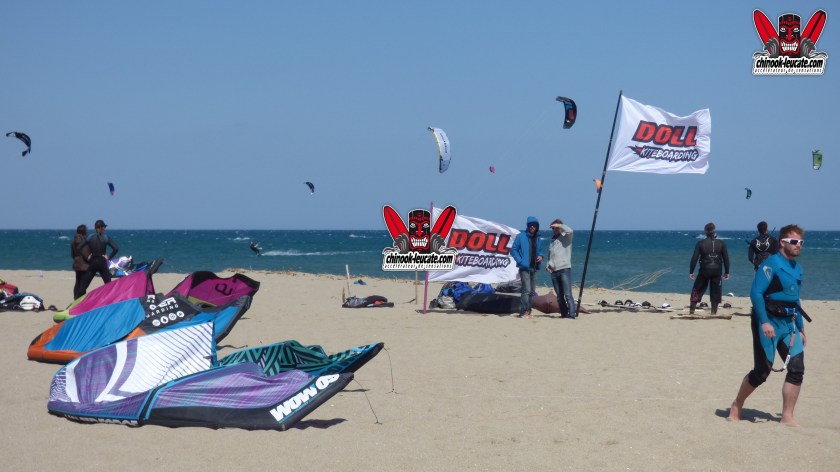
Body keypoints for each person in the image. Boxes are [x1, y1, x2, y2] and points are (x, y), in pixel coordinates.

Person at [728, 224, 807, 426]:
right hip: (768, 322)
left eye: (801, 242)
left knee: (797, 369)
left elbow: (795, 300)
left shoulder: (798, 268)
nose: (798, 245)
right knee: (762, 372)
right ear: (782, 243)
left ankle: (787, 416)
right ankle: (737, 404)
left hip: (789, 324)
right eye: (794, 241)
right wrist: (764, 322)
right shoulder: (770, 265)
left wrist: (801, 328)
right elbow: (756, 294)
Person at [688, 222, 730, 314]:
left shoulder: (700, 243)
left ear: (705, 231)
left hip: (704, 270)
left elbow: (694, 258)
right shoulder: (721, 243)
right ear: (714, 231)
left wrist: (691, 272)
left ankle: (692, 310)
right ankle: (713, 312)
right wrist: (727, 272)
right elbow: (726, 259)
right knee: (716, 291)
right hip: (717, 271)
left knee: (697, 289)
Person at [511, 216, 542, 319]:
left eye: (534, 225)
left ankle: (529, 311)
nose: (532, 227)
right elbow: (513, 250)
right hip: (524, 267)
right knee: (526, 290)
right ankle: (523, 312)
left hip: (534, 267)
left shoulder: (538, 238)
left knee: (532, 291)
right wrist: (520, 261)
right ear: (528, 226)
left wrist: (540, 256)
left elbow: (540, 251)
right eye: (530, 225)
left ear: (537, 227)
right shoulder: (521, 236)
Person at [546, 218, 576, 319]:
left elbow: (570, 231)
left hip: (564, 269)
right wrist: (548, 265)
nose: (554, 230)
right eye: (553, 228)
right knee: (559, 296)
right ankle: (564, 314)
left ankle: (572, 314)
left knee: (568, 294)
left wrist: (559, 225)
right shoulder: (552, 241)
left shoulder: (566, 238)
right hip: (554, 271)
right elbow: (550, 255)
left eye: (556, 228)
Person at [79, 219, 119, 292]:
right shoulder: (106, 237)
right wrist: (109, 257)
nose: (104, 229)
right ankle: (110, 299)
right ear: (99, 228)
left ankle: (80, 299)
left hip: (92, 263)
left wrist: (86, 257)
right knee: (109, 286)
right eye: (104, 227)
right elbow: (116, 248)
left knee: (83, 286)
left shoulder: (89, 237)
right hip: (102, 263)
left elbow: (79, 248)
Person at [70, 224, 91, 299]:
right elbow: (85, 252)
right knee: (83, 283)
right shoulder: (83, 241)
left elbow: (72, 254)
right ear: (84, 231)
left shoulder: (73, 241)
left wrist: (76, 258)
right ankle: (81, 299)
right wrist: (89, 259)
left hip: (76, 263)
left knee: (77, 282)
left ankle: (76, 298)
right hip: (84, 264)